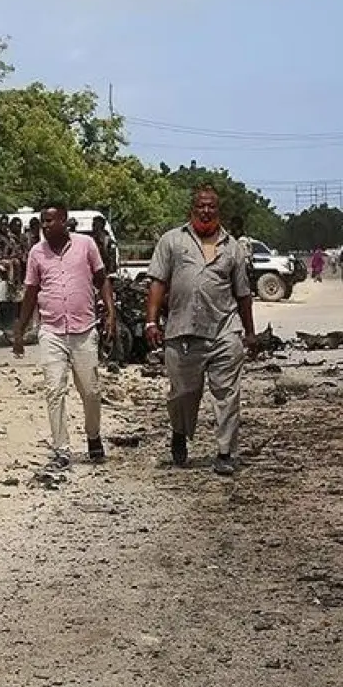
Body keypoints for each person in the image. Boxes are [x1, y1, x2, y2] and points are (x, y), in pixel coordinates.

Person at [145, 185, 257, 476]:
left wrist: (250, 332)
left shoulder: (233, 247)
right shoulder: (172, 241)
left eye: (212, 207)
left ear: (218, 212)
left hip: (224, 330)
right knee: (182, 393)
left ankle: (225, 453)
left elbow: (243, 294)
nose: (206, 211)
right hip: (182, 331)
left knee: (227, 394)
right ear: (191, 210)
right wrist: (151, 321)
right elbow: (157, 282)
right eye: (201, 206)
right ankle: (180, 433)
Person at [13, 203, 116, 469]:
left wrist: (111, 314)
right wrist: (20, 330)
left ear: (64, 221)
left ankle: (93, 437)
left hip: (83, 330)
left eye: (49, 221)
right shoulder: (36, 253)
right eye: (42, 222)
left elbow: (102, 278)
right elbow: (31, 292)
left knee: (91, 391)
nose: (45, 226)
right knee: (54, 390)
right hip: (51, 331)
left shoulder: (86, 245)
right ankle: (61, 449)